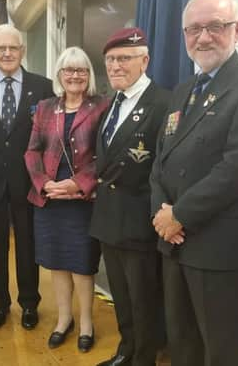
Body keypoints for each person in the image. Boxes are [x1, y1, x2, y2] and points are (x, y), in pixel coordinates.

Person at [150, 0, 238, 366]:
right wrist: (163, 217)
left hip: (217, 245)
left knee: (220, 350)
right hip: (173, 242)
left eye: (215, 26)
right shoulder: (183, 91)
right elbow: (161, 161)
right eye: (194, 29)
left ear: (236, 30)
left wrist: (179, 215)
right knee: (182, 344)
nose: (203, 37)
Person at [90, 28, 170, 366]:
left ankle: (143, 359)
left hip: (139, 219)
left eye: (125, 58)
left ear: (145, 61)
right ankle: (126, 350)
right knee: (121, 295)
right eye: (110, 60)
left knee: (143, 299)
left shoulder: (163, 104)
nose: (116, 66)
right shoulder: (112, 103)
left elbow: (166, 167)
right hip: (109, 216)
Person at [24, 47, 110, 352]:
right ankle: (64, 319)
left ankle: (86, 322)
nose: (75, 75)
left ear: (89, 75)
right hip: (49, 199)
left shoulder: (102, 106)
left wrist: (77, 184)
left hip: (82, 200)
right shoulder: (46, 107)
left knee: (82, 264)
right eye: (69, 70)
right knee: (56, 262)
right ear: (59, 75)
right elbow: (32, 150)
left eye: (81, 70)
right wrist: (45, 183)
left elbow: (106, 154)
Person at [0, 24, 53, 330]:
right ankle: (0, 303)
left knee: (28, 244)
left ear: (23, 50)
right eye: (0, 48)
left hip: (29, 182)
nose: (7, 53)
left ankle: (30, 303)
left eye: (13, 48)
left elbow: (50, 138)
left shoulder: (43, 87)